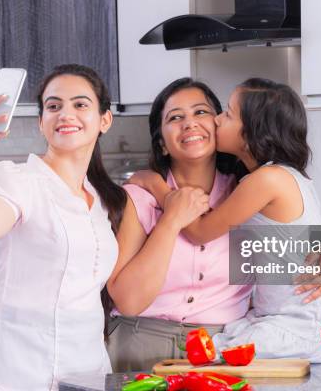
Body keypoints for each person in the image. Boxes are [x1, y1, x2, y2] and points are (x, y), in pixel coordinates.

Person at [130, 78, 321, 362]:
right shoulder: (276, 177)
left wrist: (156, 185)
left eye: (228, 115)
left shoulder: (266, 181)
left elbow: (198, 231)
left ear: (250, 135)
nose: (217, 120)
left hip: (298, 323)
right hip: (290, 317)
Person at [0, 64, 124, 391]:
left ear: (105, 120)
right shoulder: (19, 181)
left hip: (85, 376)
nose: (66, 114)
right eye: (54, 106)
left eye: (80, 104)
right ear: (41, 122)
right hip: (14, 374)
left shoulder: (101, 200)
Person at [105, 78, 252, 372]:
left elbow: (297, 246)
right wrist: (170, 220)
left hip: (224, 349)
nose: (189, 123)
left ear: (219, 124)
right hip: (139, 342)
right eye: (175, 117)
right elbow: (129, 301)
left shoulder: (248, 193)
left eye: (200, 112)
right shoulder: (137, 198)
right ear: (161, 142)